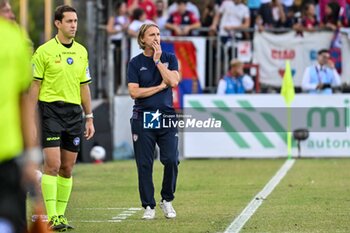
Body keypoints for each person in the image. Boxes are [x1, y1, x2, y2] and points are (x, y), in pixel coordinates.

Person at [30, 5, 95, 231]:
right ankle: (52, 217)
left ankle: (61, 216)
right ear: (58, 23)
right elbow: (35, 86)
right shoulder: (44, 51)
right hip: (49, 112)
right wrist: (30, 118)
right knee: (53, 165)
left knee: (67, 168)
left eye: (75, 21)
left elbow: (84, 87)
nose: (74, 25)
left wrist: (89, 116)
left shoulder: (82, 52)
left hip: (74, 114)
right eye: (69, 21)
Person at [127, 23, 181, 220]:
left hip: (166, 116)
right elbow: (134, 92)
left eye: (158, 34)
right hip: (143, 117)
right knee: (144, 163)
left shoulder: (169, 58)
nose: (156, 38)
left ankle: (167, 200)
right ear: (143, 39)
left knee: (171, 160)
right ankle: (148, 205)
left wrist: (158, 63)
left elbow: (174, 82)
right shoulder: (135, 63)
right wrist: (159, 87)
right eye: (152, 35)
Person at [0, 11, 42, 233]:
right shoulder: (14, 38)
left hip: (8, 153)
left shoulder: (14, 38)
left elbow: (24, 100)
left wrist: (31, 155)